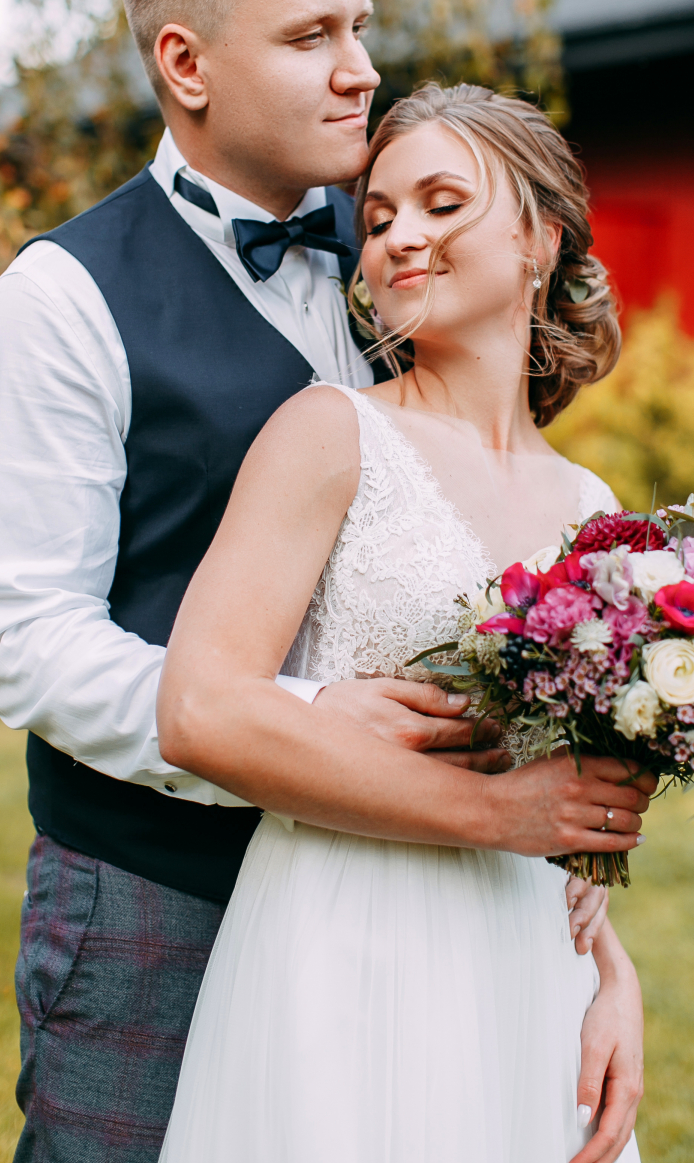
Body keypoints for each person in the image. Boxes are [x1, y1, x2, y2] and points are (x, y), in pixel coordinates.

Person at [0, 0, 648, 1163]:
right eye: (310, 35)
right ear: (186, 62)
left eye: (360, 27)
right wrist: (298, 721)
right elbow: (24, 637)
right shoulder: (56, 307)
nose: (359, 69)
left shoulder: (400, 249)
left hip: (441, 911)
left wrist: (597, 952)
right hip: (156, 886)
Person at [156, 82, 647, 1163]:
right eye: (377, 218)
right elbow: (199, 710)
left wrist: (612, 971)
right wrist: (498, 814)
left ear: (539, 238)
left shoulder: (594, 511)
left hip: (528, 960)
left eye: (441, 204)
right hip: (347, 932)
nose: (397, 238)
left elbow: (566, 795)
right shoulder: (329, 434)